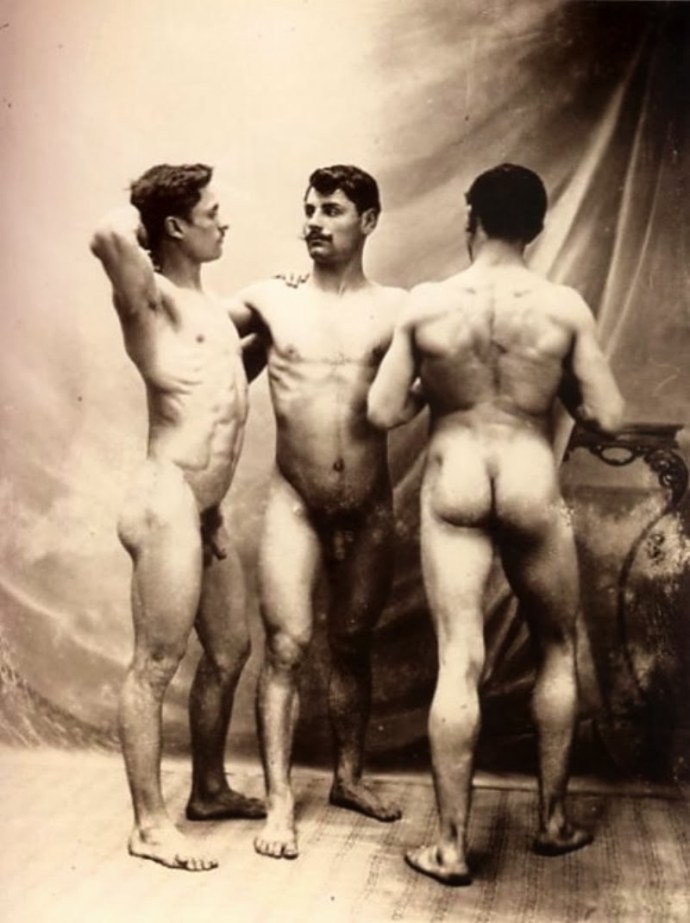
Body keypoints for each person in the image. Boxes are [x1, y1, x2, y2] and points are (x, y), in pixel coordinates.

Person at [367, 163, 625, 886]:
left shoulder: (427, 303)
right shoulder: (564, 308)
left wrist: (437, 388)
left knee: (460, 658)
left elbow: (383, 410)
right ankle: (552, 822)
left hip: (454, 475)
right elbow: (607, 415)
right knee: (557, 647)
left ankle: (450, 848)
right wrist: (553, 389)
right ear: (536, 227)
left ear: (470, 217)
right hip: (530, 477)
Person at [90, 163, 268, 871]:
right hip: (165, 500)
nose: (224, 223)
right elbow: (108, 233)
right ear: (174, 227)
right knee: (155, 664)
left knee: (230, 651)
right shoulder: (152, 300)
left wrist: (269, 336)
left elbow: (219, 391)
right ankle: (148, 824)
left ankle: (209, 790)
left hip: (203, 509)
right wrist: (144, 216)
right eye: (211, 213)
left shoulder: (210, 309)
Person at [231, 164, 408, 859]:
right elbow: (194, 338)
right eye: (309, 209)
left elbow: (459, 359)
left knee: (353, 643)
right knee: (286, 645)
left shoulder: (398, 308)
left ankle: (349, 779)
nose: (314, 221)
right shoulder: (272, 300)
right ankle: (279, 804)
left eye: (332, 210)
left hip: (369, 505)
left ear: (369, 221)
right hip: (294, 501)